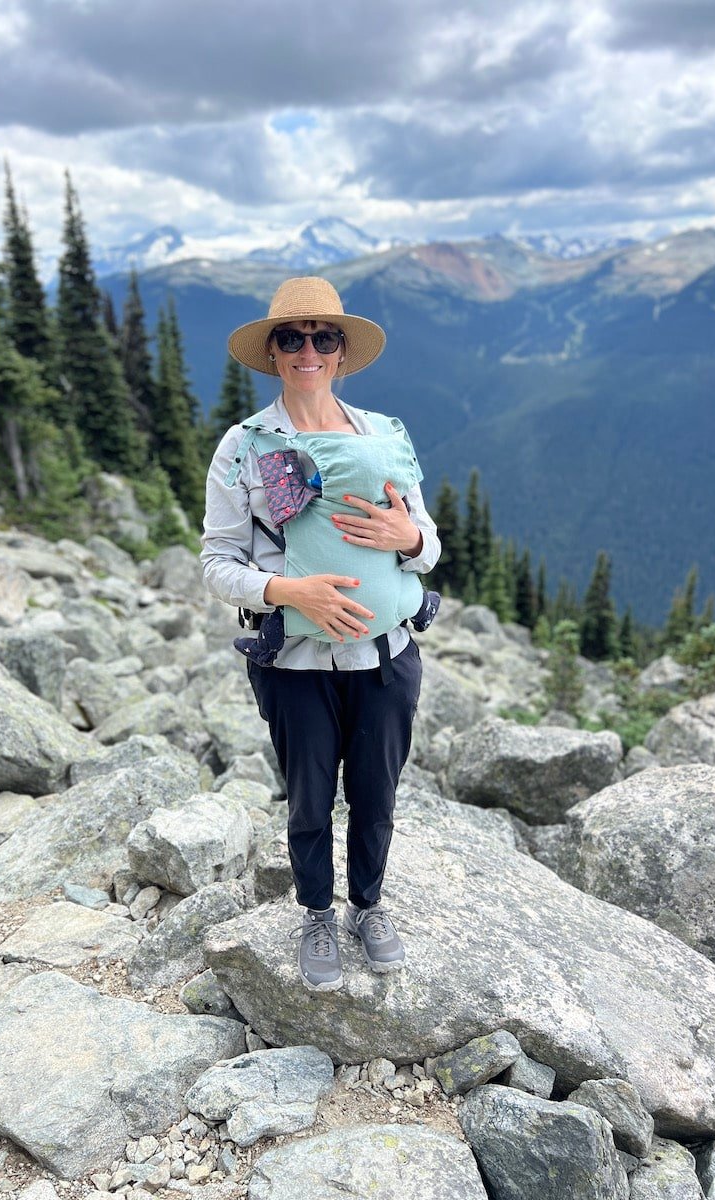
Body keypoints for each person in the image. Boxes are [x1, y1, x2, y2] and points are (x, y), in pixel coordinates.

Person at [200, 276, 440, 992]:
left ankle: (367, 906)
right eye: (291, 337)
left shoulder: (385, 436)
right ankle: (315, 913)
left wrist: (408, 538)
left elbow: (430, 548)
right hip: (295, 662)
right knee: (308, 800)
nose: (308, 349)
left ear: (342, 353)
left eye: (323, 337)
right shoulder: (245, 447)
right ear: (273, 353)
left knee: (376, 795)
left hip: (387, 658)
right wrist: (285, 589)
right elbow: (216, 561)